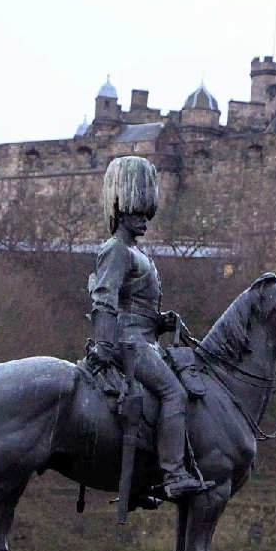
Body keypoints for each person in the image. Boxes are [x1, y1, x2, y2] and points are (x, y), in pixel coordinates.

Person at [86, 156, 211, 499]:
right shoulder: (116, 250)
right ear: (120, 210)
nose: (144, 219)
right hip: (130, 345)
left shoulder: (136, 253)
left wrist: (160, 322)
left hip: (146, 340)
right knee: (174, 393)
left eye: (146, 213)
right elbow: (105, 300)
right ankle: (173, 475)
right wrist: (105, 346)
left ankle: (148, 473)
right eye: (137, 213)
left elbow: (135, 307)